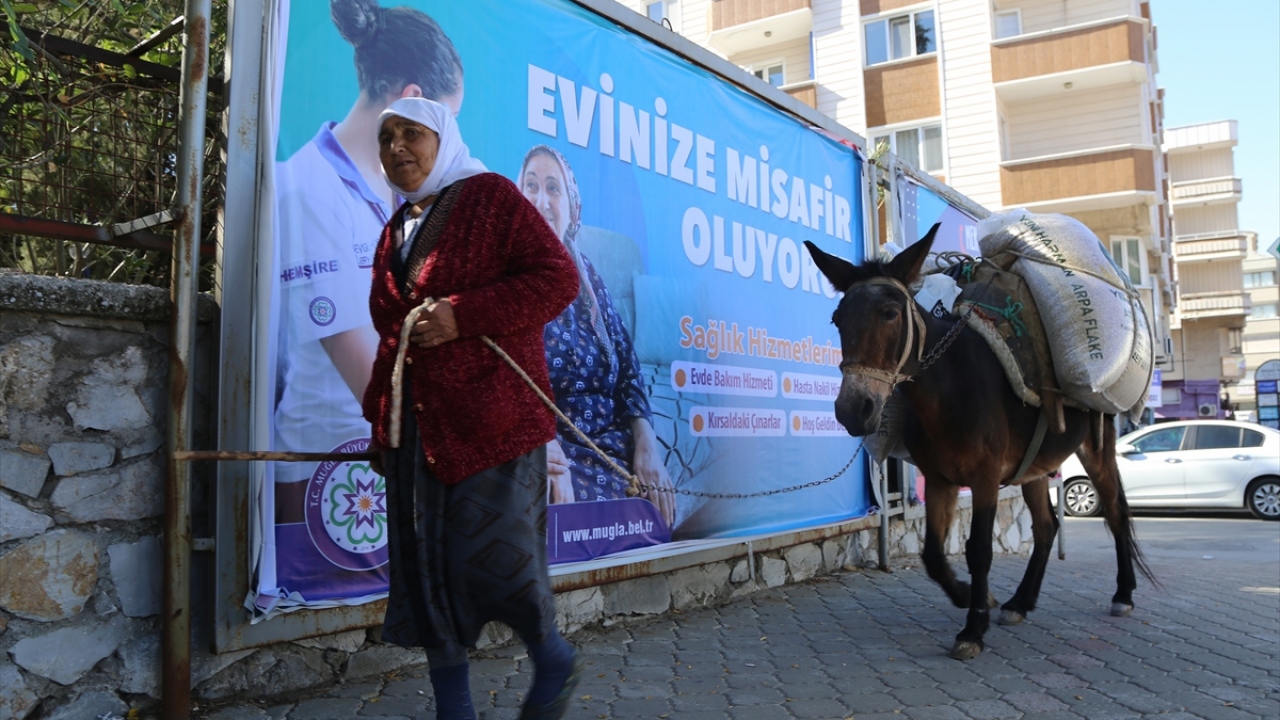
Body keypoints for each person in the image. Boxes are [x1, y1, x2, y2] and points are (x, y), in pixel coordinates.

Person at [363, 99, 581, 720]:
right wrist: (381, 418)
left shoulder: (489, 198)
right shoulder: (396, 228)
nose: (397, 147)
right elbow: (390, 334)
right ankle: (454, 711)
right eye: (386, 138)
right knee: (427, 577)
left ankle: (553, 658)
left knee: (497, 569)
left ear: (444, 139)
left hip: (495, 426)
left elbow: (555, 279)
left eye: (412, 133)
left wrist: (463, 314)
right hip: (419, 430)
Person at [272, 0, 463, 479]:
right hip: (325, 479)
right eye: (449, 121)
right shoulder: (306, 186)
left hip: (395, 464)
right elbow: (365, 373)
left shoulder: (406, 196)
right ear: (411, 100)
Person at [518, 145, 677, 528]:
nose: (541, 200)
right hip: (553, 447)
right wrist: (543, 445)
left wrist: (646, 447)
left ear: (573, 206)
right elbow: (506, 378)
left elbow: (628, 372)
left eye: (553, 188)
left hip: (610, 444)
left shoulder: (586, 276)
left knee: (661, 510)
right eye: (531, 186)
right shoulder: (510, 275)